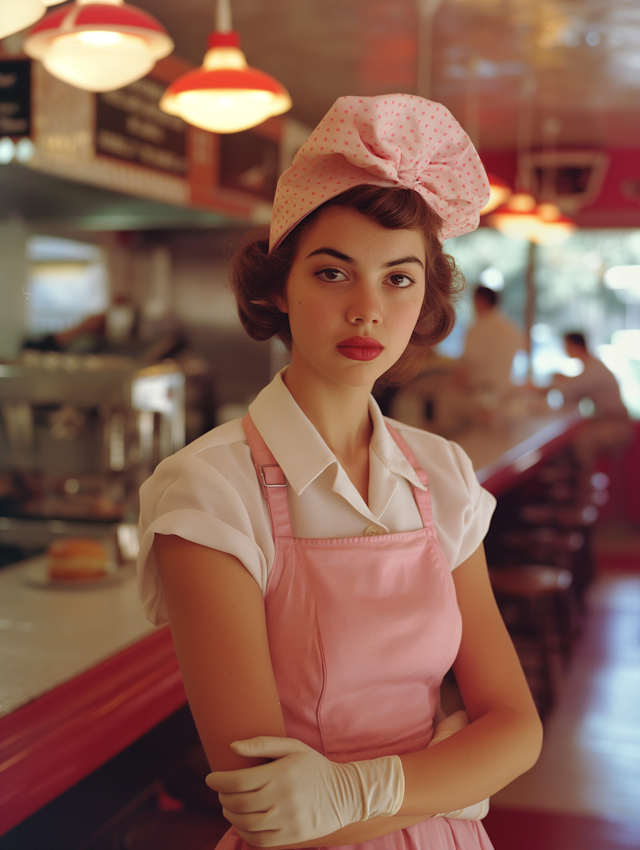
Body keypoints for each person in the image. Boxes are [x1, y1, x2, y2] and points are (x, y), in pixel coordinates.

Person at [138, 94, 542, 850]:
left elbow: (518, 731)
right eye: (333, 274)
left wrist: (365, 788)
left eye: (399, 278)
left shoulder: (444, 474)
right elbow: (267, 810)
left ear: (425, 298)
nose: (367, 310)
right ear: (277, 288)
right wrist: (453, 781)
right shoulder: (209, 493)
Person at [553, 331, 633, 468]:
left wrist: (553, 382)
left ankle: (585, 485)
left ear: (576, 346)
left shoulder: (593, 368)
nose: (564, 350)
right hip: (613, 423)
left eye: (566, 345)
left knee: (575, 443)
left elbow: (569, 392)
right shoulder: (592, 366)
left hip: (614, 426)